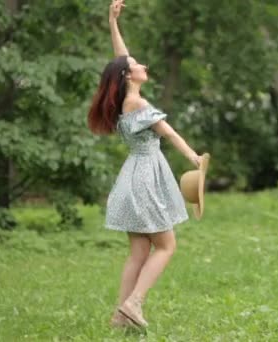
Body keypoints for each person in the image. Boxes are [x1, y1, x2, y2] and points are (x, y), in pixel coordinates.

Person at [87, 0, 202, 328]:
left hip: (131, 178)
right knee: (166, 246)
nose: (143, 65)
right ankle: (134, 304)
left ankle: (119, 318)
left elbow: (121, 59)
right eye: (136, 64)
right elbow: (170, 133)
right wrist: (193, 156)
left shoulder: (124, 99)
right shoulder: (138, 103)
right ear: (128, 75)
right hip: (145, 180)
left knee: (139, 252)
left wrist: (113, 22)